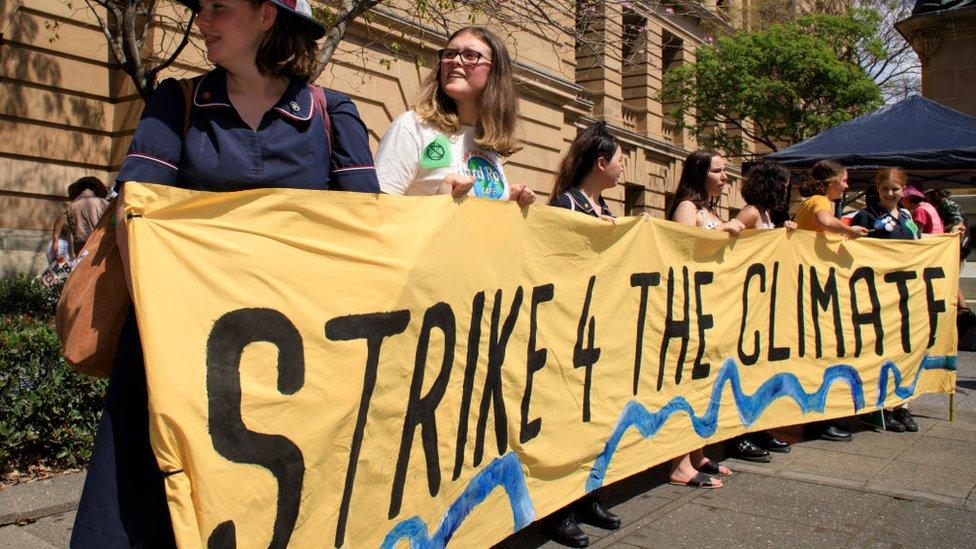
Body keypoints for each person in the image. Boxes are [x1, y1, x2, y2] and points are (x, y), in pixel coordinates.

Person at [71, 1, 379, 546]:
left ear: (266, 16)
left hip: (297, 357)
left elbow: (370, 229)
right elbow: (137, 212)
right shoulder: (178, 101)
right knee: (145, 507)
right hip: (177, 348)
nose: (203, 20)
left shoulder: (334, 113)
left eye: (219, 7)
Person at [543, 121, 624, 547]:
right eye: (619, 158)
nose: (624, 165)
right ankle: (559, 507)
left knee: (596, 415)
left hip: (600, 327)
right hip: (568, 327)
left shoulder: (605, 207)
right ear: (601, 162)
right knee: (566, 417)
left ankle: (590, 491)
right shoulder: (566, 204)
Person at [374, 26, 535, 206]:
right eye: (450, 54)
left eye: (470, 55)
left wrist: (510, 204)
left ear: (495, 73)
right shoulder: (412, 127)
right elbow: (379, 210)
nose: (456, 61)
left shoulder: (487, 143)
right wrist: (441, 200)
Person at [665, 149, 742, 489]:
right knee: (685, 383)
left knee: (704, 384)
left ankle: (697, 453)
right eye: (718, 171)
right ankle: (679, 463)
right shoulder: (687, 208)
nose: (725, 177)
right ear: (700, 173)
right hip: (688, 306)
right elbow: (680, 251)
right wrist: (721, 231)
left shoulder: (710, 210)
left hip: (711, 306)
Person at [793, 160, 868, 443]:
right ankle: (818, 421)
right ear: (831, 181)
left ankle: (819, 418)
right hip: (816, 289)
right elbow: (825, 222)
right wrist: (849, 231)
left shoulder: (814, 201)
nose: (847, 185)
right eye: (844, 180)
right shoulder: (819, 201)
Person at [732, 160, 796, 457]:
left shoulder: (768, 214)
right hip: (748, 304)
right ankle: (738, 435)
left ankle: (759, 428)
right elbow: (726, 241)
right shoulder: (751, 212)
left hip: (765, 302)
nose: (785, 192)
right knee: (745, 375)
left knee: (761, 373)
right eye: (782, 186)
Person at [848, 168, 920, 433]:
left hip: (903, 294)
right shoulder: (866, 216)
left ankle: (902, 406)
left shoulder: (908, 217)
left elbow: (919, 246)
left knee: (904, 349)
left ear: (903, 190)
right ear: (877, 189)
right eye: (885, 189)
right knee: (879, 351)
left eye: (895, 189)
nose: (890, 193)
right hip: (876, 296)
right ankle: (878, 407)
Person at [49, 176, 110, 261]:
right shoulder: (104, 203)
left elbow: (60, 224)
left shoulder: (71, 207)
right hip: (100, 248)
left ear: (79, 190)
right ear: (95, 190)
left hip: (81, 250)